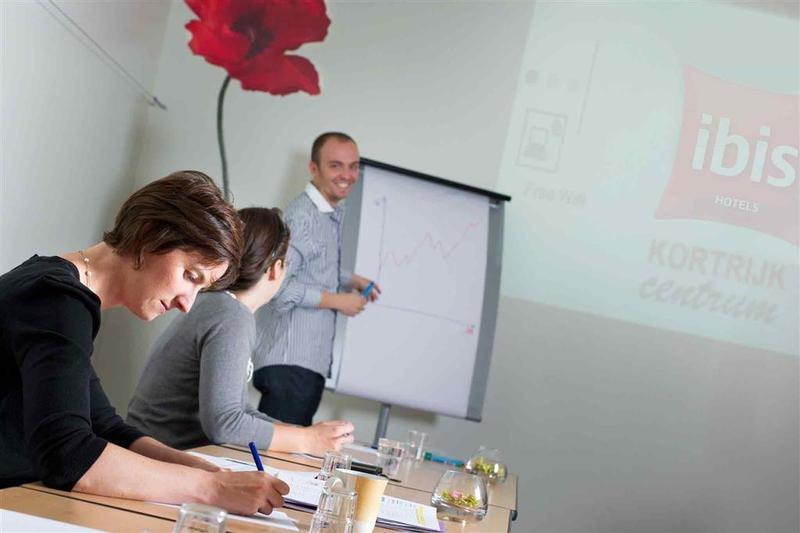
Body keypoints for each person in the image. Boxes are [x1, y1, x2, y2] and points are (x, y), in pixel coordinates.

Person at [0, 171, 288, 516]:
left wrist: (209, 472)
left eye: (200, 288)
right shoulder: (57, 299)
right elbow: (68, 453)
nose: (187, 303)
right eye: (190, 275)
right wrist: (212, 489)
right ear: (149, 235)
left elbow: (106, 426)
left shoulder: (62, 293)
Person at [127, 207, 355, 454]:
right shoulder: (231, 316)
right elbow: (224, 424)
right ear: (276, 268)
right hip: (157, 459)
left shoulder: (218, 304)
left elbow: (237, 409)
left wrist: (302, 434)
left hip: (149, 450)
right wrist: (307, 440)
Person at [254, 132, 380, 426]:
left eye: (353, 166)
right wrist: (338, 301)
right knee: (279, 452)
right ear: (314, 168)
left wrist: (351, 279)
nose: (347, 175)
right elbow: (277, 286)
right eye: (336, 166)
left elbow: (311, 267)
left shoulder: (324, 214)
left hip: (301, 367)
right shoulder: (305, 218)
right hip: (291, 366)